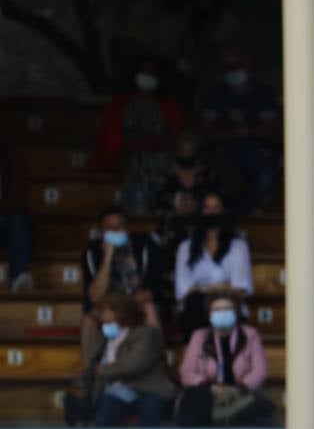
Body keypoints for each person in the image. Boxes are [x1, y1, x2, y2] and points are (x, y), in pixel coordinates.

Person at [92, 56, 185, 215]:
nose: (148, 76)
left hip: (162, 158)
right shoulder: (120, 105)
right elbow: (112, 138)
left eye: (153, 73)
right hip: (131, 158)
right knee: (137, 174)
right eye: (145, 72)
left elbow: (178, 135)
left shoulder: (167, 106)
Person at [82, 205, 169, 365]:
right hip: (107, 305)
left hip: (137, 302)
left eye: (119, 226)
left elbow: (155, 289)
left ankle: (157, 365)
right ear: (101, 232)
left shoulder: (145, 246)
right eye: (109, 228)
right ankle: (90, 373)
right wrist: (107, 257)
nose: (115, 231)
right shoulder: (92, 251)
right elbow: (94, 296)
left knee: (149, 307)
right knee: (90, 318)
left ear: (128, 228)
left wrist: (126, 304)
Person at [73, 293, 175, 428]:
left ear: (121, 312)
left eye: (105, 312)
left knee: (150, 415)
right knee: (104, 415)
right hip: (115, 393)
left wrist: (102, 370)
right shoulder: (106, 339)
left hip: (148, 390)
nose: (101, 317)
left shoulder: (147, 334)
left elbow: (134, 365)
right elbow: (93, 366)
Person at [200, 44, 279, 213]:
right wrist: (227, 134)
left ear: (248, 65)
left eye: (237, 66)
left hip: (256, 151)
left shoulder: (262, 93)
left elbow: (272, 130)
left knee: (264, 178)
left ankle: (242, 215)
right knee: (222, 180)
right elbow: (205, 130)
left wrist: (249, 131)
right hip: (223, 152)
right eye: (228, 67)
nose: (233, 70)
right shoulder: (216, 94)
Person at [176, 292, 272, 426]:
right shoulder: (199, 336)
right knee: (194, 399)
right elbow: (187, 372)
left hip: (241, 394)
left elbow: (259, 371)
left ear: (236, 313)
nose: (222, 313)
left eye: (227, 309)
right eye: (217, 310)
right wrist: (211, 388)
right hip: (209, 395)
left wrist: (237, 389)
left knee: (257, 407)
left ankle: (227, 415)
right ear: (209, 314)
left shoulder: (250, 335)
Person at [174, 192, 253, 337]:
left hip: (229, 307)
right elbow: (184, 290)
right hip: (195, 310)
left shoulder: (238, 247)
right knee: (194, 303)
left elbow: (239, 289)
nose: (211, 213)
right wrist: (222, 286)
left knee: (224, 307)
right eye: (207, 208)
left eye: (216, 208)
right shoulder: (185, 248)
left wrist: (202, 288)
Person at [154, 130, 217, 247]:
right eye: (182, 149)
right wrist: (175, 206)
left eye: (190, 150)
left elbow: (215, 200)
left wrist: (197, 205)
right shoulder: (166, 174)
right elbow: (156, 202)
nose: (186, 154)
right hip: (171, 230)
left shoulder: (207, 174)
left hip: (200, 229)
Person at [0, 142, 33, 292]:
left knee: (17, 219)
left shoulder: (13, 161)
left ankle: (19, 277)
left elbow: (18, 200)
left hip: (7, 221)